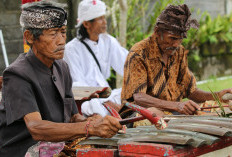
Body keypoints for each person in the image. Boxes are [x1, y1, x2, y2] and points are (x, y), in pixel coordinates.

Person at [0, 1, 122, 157]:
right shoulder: (17, 74)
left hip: (55, 147)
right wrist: (88, 128)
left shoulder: (62, 67)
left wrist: (92, 121)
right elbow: (36, 128)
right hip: (24, 151)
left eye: (63, 32)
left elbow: (72, 117)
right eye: (53, 34)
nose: (61, 40)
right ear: (29, 37)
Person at [121, 4, 232, 116]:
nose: (176, 44)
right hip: (138, 114)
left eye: (180, 39)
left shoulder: (178, 52)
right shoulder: (139, 53)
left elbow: (190, 91)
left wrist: (217, 96)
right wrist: (177, 105)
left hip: (172, 113)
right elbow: (139, 98)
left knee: (220, 110)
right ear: (157, 32)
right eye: (172, 38)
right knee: (156, 114)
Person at [64, 0, 128, 117]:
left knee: (130, 94)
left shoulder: (108, 41)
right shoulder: (71, 50)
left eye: (104, 17)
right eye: (100, 19)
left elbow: (128, 64)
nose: (105, 22)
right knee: (94, 106)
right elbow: (78, 87)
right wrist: (105, 102)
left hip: (106, 95)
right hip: (87, 101)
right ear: (86, 24)